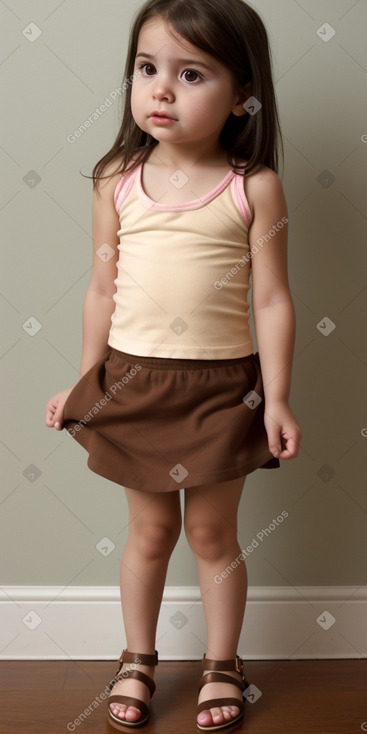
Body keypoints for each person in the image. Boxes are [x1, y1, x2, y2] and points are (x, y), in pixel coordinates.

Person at [45, 0, 302, 730]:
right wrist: (83, 379)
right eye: (147, 69)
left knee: (214, 536)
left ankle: (223, 663)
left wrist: (276, 398)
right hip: (132, 383)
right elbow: (101, 287)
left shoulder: (253, 187)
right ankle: (137, 658)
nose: (160, 89)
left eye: (189, 74)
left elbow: (275, 300)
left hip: (222, 390)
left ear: (242, 93)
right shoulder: (116, 178)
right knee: (149, 534)